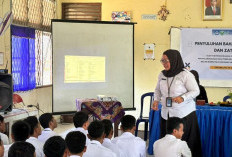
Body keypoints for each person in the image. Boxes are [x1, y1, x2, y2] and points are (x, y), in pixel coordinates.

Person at [152, 49, 202, 157]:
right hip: (166, 114)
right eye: (162, 61)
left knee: (186, 144)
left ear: (174, 60)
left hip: (183, 114)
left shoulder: (185, 74)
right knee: (166, 142)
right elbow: (157, 90)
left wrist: (183, 97)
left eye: (166, 60)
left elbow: (196, 91)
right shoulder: (162, 75)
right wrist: (156, 100)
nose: (164, 63)